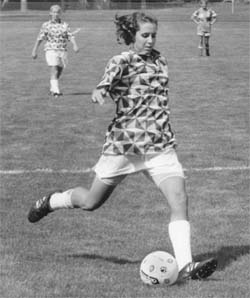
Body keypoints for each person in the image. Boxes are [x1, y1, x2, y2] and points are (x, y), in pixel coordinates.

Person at [28, 12, 217, 282]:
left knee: (180, 200)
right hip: (124, 146)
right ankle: (53, 200)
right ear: (132, 36)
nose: (150, 40)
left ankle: (186, 265)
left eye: (153, 35)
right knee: (91, 202)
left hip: (160, 145)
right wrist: (99, 92)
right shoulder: (121, 60)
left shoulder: (161, 59)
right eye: (145, 35)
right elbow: (104, 85)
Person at [31, 4, 79, 98]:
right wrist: (34, 50)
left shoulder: (64, 25)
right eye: (53, 12)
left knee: (59, 70)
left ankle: (52, 88)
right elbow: (40, 38)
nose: (55, 14)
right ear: (50, 13)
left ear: (60, 13)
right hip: (50, 49)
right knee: (54, 69)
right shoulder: (46, 25)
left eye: (57, 12)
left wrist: (75, 45)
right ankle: (56, 91)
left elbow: (69, 35)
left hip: (62, 50)